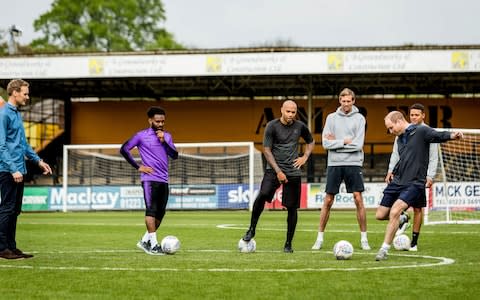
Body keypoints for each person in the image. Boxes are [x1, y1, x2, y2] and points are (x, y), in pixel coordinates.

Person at [375, 111, 463, 261]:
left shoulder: (421, 130)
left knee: (395, 210)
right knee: (380, 215)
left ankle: (384, 249)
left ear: (398, 121)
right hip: (398, 181)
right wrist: (391, 170)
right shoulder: (399, 138)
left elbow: (437, 135)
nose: (390, 131)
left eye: (391, 127)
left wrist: (452, 135)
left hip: (415, 182)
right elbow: (399, 157)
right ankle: (402, 219)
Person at [242, 99, 314, 253]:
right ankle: (251, 229)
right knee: (262, 195)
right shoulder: (272, 126)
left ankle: (288, 244)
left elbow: (311, 141)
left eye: (293, 112)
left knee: (292, 208)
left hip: (293, 171)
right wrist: (278, 171)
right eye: (288, 111)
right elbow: (266, 150)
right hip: (274, 170)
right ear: (282, 110)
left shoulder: (300, 126)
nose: (290, 115)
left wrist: (305, 157)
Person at [312, 88, 370, 251]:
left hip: (354, 163)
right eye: (343, 101)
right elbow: (325, 144)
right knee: (328, 200)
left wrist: (336, 144)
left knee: (358, 198)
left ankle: (364, 238)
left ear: (353, 101)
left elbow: (358, 144)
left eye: (349, 101)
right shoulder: (331, 118)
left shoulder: (359, 118)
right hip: (334, 163)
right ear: (340, 101)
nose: (346, 104)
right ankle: (319, 238)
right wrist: (344, 141)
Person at [0, 79, 52, 260]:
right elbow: (1, 146)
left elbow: (23, 144)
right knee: (7, 208)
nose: (27, 97)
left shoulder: (16, 114)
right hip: (8, 170)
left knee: (14, 210)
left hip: (19, 169)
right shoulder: (4, 114)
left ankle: (11, 247)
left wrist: (38, 161)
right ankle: (1, 248)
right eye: (25, 93)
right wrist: (13, 169)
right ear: (14, 92)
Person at [120, 106, 178, 255]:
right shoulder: (141, 136)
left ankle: (144, 240)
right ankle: (153, 245)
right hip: (149, 179)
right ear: (150, 120)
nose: (160, 124)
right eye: (157, 121)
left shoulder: (167, 136)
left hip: (164, 179)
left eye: (163, 121)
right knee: (151, 211)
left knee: (161, 213)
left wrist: (164, 141)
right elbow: (124, 149)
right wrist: (138, 167)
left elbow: (174, 155)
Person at [385, 103, 438, 251]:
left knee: (417, 209)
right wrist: (390, 170)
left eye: (417, 115)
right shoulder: (401, 132)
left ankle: (414, 242)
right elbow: (395, 154)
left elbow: (434, 157)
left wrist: (430, 176)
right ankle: (403, 218)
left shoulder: (428, 132)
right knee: (396, 204)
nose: (414, 117)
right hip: (403, 175)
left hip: (419, 176)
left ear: (423, 116)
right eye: (412, 115)